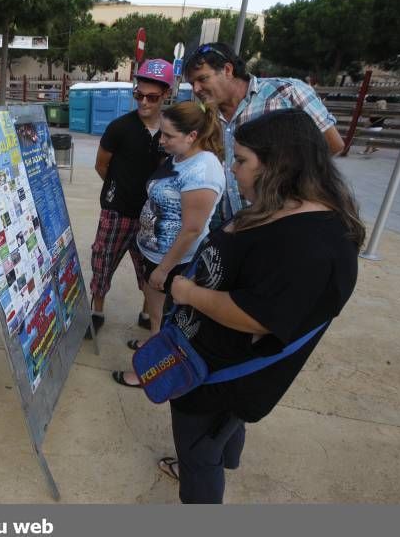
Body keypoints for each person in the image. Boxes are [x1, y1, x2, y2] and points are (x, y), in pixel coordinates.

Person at [154, 109, 364, 503]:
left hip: (220, 379)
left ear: (280, 164)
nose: (232, 170)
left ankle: (204, 476)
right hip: (216, 363)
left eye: (242, 160)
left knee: (198, 453)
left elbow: (257, 315)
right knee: (223, 433)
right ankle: (223, 457)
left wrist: (187, 293)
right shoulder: (281, 205)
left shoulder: (313, 246)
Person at [112, 101, 225, 388]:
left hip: (174, 261)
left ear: (192, 135)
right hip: (152, 252)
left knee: (168, 321)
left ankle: (147, 373)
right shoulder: (180, 157)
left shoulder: (203, 171)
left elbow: (192, 229)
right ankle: (153, 344)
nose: (161, 141)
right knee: (157, 316)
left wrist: (163, 269)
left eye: (168, 136)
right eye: (161, 134)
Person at [184, 43, 344, 224]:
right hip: (230, 224)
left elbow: (333, 144)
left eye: (202, 79)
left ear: (227, 70)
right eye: (192, 83)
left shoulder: (286, 93)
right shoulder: (207, 116)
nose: (196, 89)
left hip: (280, 222)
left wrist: (284, 187)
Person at [86, 58, 173, 338]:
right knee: (103, 259)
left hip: (153, 214)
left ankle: (147, 313)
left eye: (152, 97)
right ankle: (97, 311)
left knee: (150, 267)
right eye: (139, 95)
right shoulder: (119, 127)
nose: (144, 102)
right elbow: (102, 165)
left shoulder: (171, 131)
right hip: (117, 211)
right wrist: (117, 189)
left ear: (166, 95)